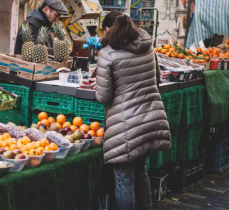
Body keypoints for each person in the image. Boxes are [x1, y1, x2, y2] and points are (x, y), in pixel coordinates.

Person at [95, 11, 171, 210]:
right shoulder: (148, 48)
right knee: (141, 172)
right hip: (150, 119)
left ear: (107, 31)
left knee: (123, 179)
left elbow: (103, 96)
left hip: (126, 124)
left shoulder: (108, 53)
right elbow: (156, 79)